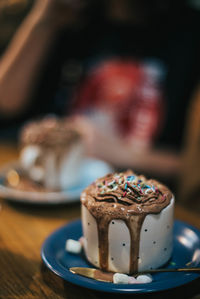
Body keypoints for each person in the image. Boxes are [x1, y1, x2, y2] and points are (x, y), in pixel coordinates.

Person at [0, 0, 199, 183]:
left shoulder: (189, 34)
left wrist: (123, 154)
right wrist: (44, 18)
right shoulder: (71, 18)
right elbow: (6, 104)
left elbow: (191, 171)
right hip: (57, 185)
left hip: (141, 195)